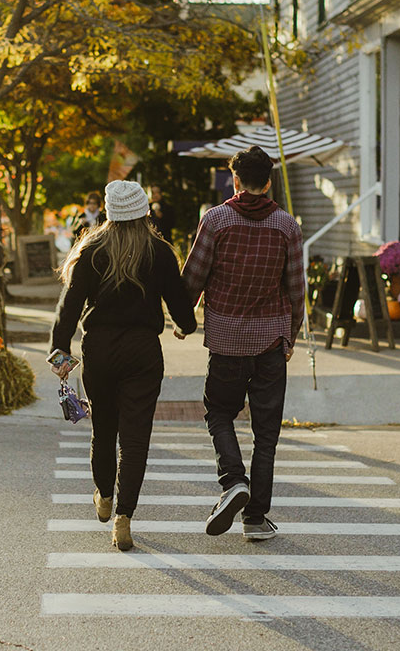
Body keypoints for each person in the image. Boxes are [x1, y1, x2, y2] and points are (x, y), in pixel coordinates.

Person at [50, 179, 197, 551]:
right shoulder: (160, 252)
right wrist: (185, 326)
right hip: (143, 352)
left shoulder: (91, 249)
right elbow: (181, 307)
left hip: (98, 350)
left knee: (104, 429)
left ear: (107, 211)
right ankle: (124, 517)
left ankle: (103, 496)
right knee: (135, 440)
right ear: (146, 211)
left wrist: (60, 353)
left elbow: (68, 308)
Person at [179, 145, 305, 542]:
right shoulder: (287, 226)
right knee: (266, 433)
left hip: (226, 341)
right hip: (270, 342)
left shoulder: (215, 221)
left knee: (219, 413)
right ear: (269, 182)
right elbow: (297, 289)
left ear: (235, 179)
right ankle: (255, 518)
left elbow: (194, 275)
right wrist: (292, 334)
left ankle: (233, 479)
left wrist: (183, 319)